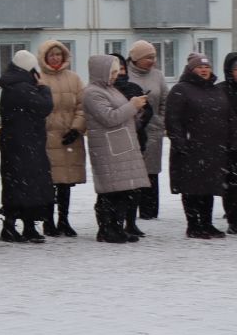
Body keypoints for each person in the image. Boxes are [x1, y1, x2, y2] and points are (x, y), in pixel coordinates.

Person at [82, 54, 149, 244]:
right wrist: (132, 105)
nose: (115, 75)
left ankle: (117, 227)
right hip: (107, 147)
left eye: (117, 71)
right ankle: (106, 229)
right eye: (112, 72)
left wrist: (137, 110)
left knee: (123, 190)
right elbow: (109, 117)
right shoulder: (92, 92)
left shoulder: (111, 89)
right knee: (110, 192)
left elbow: (123, 114)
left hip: (121, 144)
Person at [165, 52, 228, 240]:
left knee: (209, 188)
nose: (204, 70)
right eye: (200, 67)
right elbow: (173, 120)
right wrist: (180, 142)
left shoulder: (216, 90)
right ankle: (193, 225)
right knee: (192, 188)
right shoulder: (180, 90)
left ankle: (206, 224)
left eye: (207, 67)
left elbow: (227, 116)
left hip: (214, 149)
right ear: (191, 70)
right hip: (190, 148)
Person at [0, 50, 55, 242]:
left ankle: (11, 226)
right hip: (27, 144)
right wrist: (44, 89)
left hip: (15, 143)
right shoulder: (23, 88)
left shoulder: (11, 85)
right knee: (29, 185)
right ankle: (26, 227)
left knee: (16, 185)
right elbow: (44, 107)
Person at [37, 40, 86, 238]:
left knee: (66, 182)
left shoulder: (74, 79)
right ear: (44, 58)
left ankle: (64, 220)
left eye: (59, 54)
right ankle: (48, 221)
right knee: (49, 182)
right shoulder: (38, 79)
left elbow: (82, 107)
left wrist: (76, 128)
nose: (56, 58)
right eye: (51, 55)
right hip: (47, 138)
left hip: (69, 138)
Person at [124, 41, 167, 223]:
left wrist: (160, 120)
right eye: (148, 57)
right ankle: (131, 210)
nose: (152, 61)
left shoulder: (158, 76)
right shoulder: (125, 74)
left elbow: (165, 100)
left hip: (154, 130)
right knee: (133, 170)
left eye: (153, 57)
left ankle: (150, 211)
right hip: (131, 129)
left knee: (151, 171)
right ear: (136, 59)